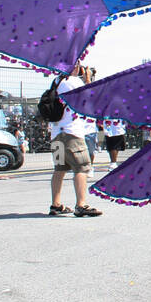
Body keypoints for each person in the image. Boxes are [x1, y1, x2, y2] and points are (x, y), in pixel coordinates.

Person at [49, 64, 101, 217]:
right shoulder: (73, 81)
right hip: (72, 134)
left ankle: (56, 204)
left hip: (57, 135)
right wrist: (87, 79)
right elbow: (90, 98)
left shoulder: (56, 81)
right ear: (74, 66)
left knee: (59, 169)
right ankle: (81, 204)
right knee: (82, 167)